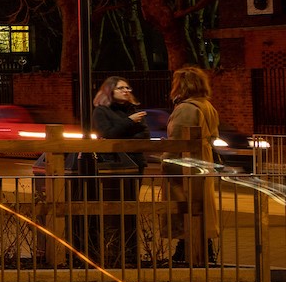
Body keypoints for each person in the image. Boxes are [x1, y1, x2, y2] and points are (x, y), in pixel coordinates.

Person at [79, 75, 149, 266]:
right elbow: (107, 134)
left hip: (136, 163)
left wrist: (124, 131)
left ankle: (131, 253)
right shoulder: (101, 112)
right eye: (121, 88)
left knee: (131, 208)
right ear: (109, 91)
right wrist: (129, 123)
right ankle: (113, 252)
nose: (126, 91)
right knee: (114, 210)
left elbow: (144, 134)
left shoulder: (132, 110)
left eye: (127, 88)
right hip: (113, 165)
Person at [162, 66, 222, 264]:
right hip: (202, 162)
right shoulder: (206, 105)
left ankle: (190, 251)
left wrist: (167, 162)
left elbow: (179, 141)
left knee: (185, 208)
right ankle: (197, 250)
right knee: (199, 207)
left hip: (185, 166)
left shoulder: (187, 109)